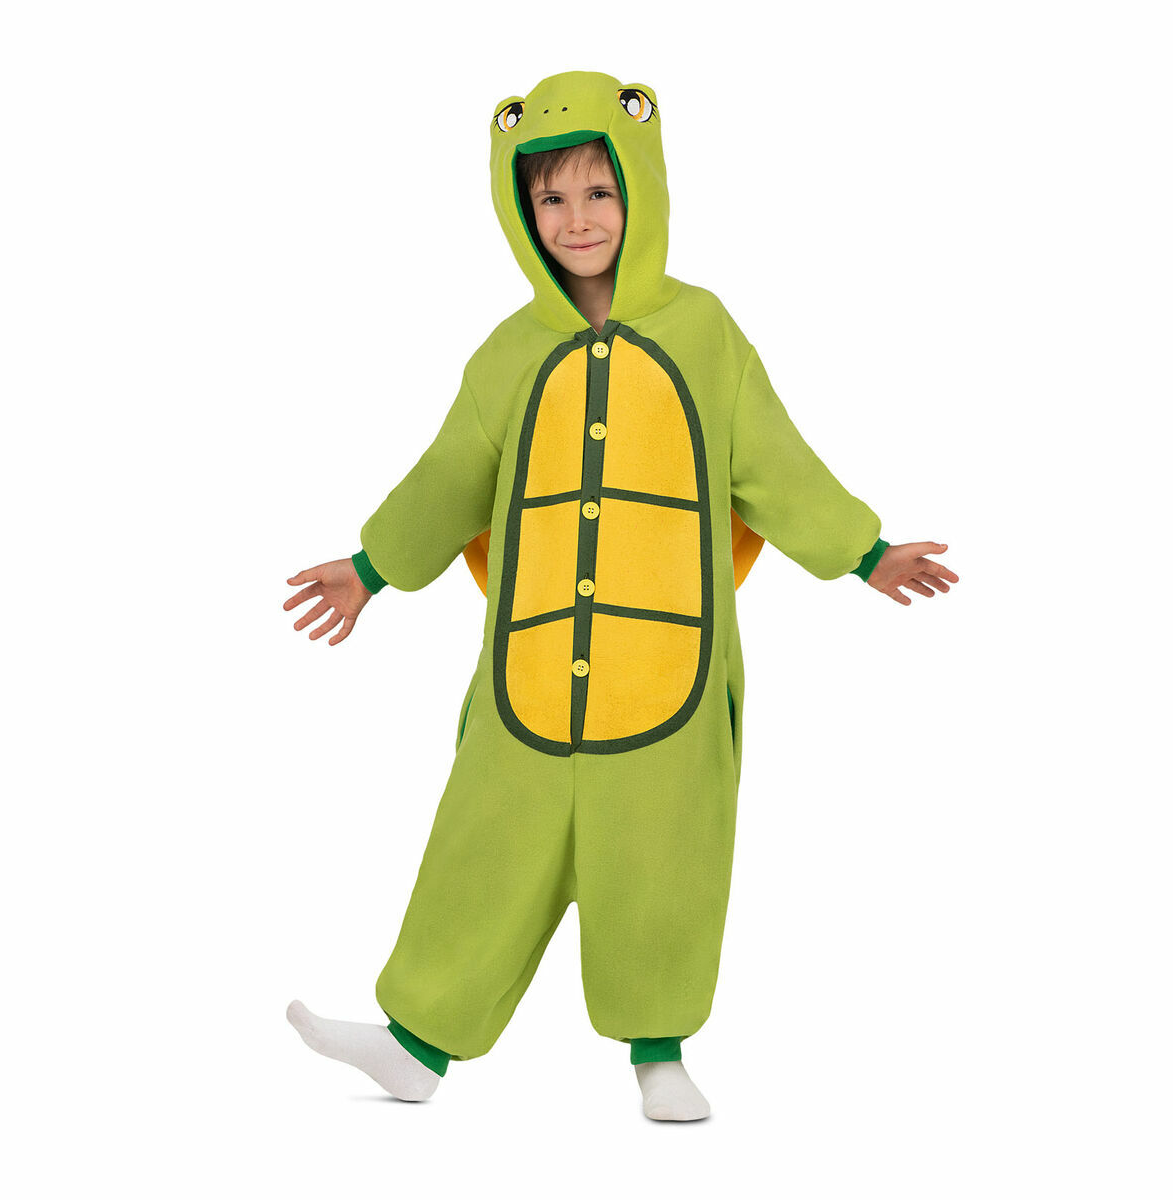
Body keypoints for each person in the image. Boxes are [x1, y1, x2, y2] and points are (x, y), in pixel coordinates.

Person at [283, 70, 958, 1122]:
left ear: (640, 188)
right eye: (551, 198)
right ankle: (415, 1045)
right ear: (521, 211)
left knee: (664, 850)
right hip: (529, 665)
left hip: (667, 665)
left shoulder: (705, 332)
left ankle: (659, 1052)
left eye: (599, 191)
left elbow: (771, 460)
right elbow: (449, 477)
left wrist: (864, 552)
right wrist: (371, 568)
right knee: (483, 837)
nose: (578, 218)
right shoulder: (508, 355)